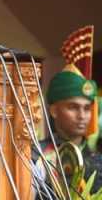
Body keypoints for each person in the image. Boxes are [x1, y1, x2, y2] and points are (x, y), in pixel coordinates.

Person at [35, 64, 102, 196]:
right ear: (54, 110)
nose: (82, 116)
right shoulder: (36, 156)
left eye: (87, 108)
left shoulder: (98, 160)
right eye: (73, 107)